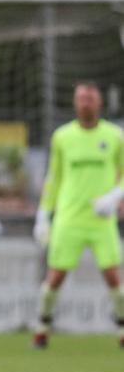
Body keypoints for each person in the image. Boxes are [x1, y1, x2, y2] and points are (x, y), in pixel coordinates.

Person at [33, 81, 124, 348]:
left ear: (99, 103)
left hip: (101, 220)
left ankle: (122, 330)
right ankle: (41, 328)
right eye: (81, 98)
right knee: (55, 278)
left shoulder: (115, 136)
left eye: (90, 98)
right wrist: (43, 215)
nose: (85, 102)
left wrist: (115, 196)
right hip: (68, 218)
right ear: (75, 103)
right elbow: (54, 178)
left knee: (113, 278)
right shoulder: (62, 136)